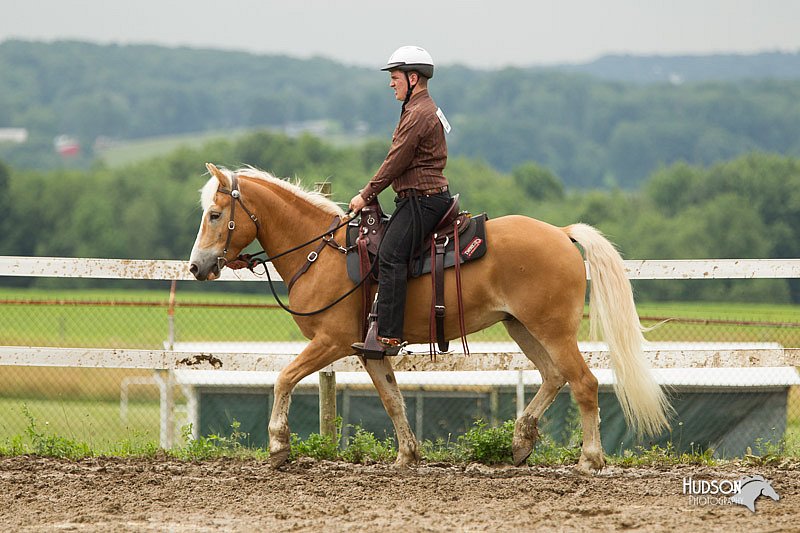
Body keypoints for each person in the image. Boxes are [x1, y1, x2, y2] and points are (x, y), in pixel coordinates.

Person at [350, 45, 452, 356]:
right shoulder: (418, 109)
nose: (390, 83)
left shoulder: (419, 114)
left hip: (422, 201)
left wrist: (365, 194)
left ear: (413, 78)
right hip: (417, 199)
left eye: (395, 77)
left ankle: (389, 337)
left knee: (391, 255)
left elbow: (396, 161)